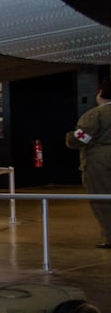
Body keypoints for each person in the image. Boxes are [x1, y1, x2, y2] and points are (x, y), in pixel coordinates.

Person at [66, 77, 111, 247]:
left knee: (102, 199)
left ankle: (109, 236)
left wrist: (69, 138)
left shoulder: (95, 114)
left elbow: (81, 138)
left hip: (100, 162)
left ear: (101, 94)